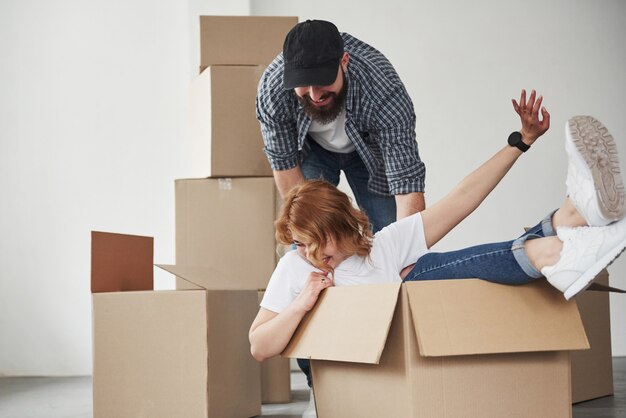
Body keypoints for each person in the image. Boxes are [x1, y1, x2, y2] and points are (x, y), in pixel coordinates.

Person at [249, 91, 626, 417]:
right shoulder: (296, 269)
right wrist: (303, 303)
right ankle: (554, 240)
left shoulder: (385, 247)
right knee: (418, 275)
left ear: (345, 226)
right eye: (301, 243)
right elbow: (260, 347)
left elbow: (461, 199)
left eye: (319, 241)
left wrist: (520, 141)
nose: (312, 253)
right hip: (346, 393)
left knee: (420, 273)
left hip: (408, 376)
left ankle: (568, 220)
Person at [256, 19, 426, 233]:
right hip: (313, 151)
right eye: (304, 83)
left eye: (321, 81)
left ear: (344, 62)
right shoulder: (273, 89)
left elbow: (407, 184)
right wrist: (306, 235)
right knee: (310, 233)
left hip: (370, 152)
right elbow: (284, 165)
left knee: (391, 232)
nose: (314, 94)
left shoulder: (383, 88)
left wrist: (407, 253)